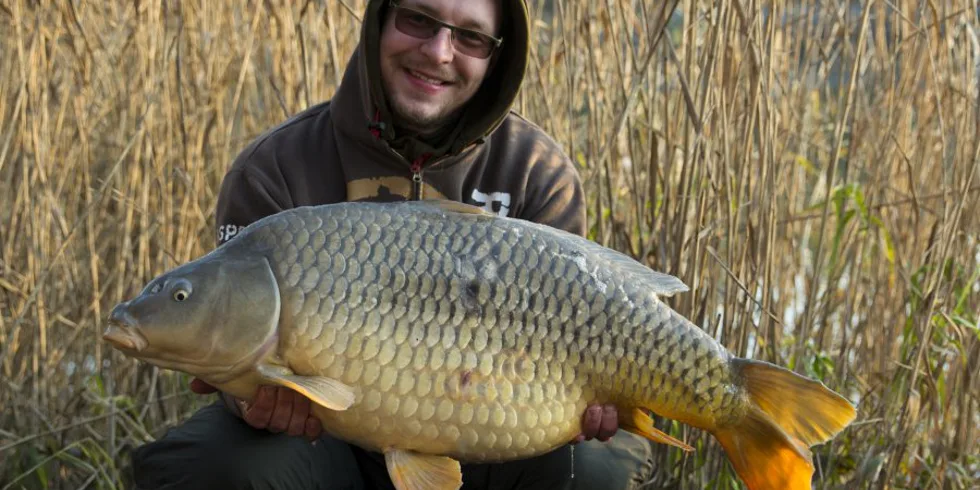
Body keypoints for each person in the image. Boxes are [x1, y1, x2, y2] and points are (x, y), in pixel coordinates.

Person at [129, 0, 655, 488]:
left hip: (493, 435)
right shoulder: (276, 166)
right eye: (417, 19)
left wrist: (597, 397)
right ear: (380, 21)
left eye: (471, 37)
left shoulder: (536, 172)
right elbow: (231, 341)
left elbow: (578, 330)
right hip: (323, 443)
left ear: (496, 56)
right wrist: (247, 401)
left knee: (594, 464)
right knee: (206, 462)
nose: (438, 51)